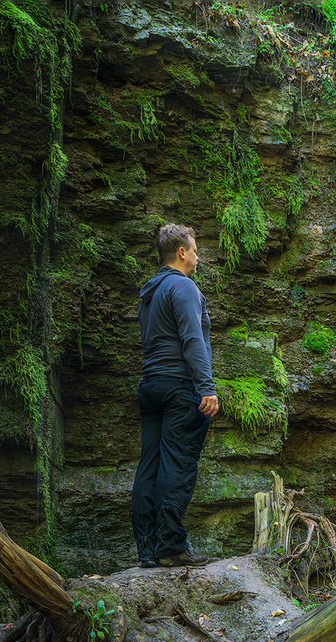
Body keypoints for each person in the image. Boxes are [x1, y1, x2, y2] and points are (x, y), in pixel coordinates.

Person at [131, 224, 220, 568]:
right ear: (181, 252)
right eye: (195, 251)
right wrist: (207, 387)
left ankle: (148, 550)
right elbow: (192, 339)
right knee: (178, 461)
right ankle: (170, 546)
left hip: (150, 386)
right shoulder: (182, 286)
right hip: (179, 386)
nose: (197, 257)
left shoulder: (149, 293)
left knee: (149, 465)